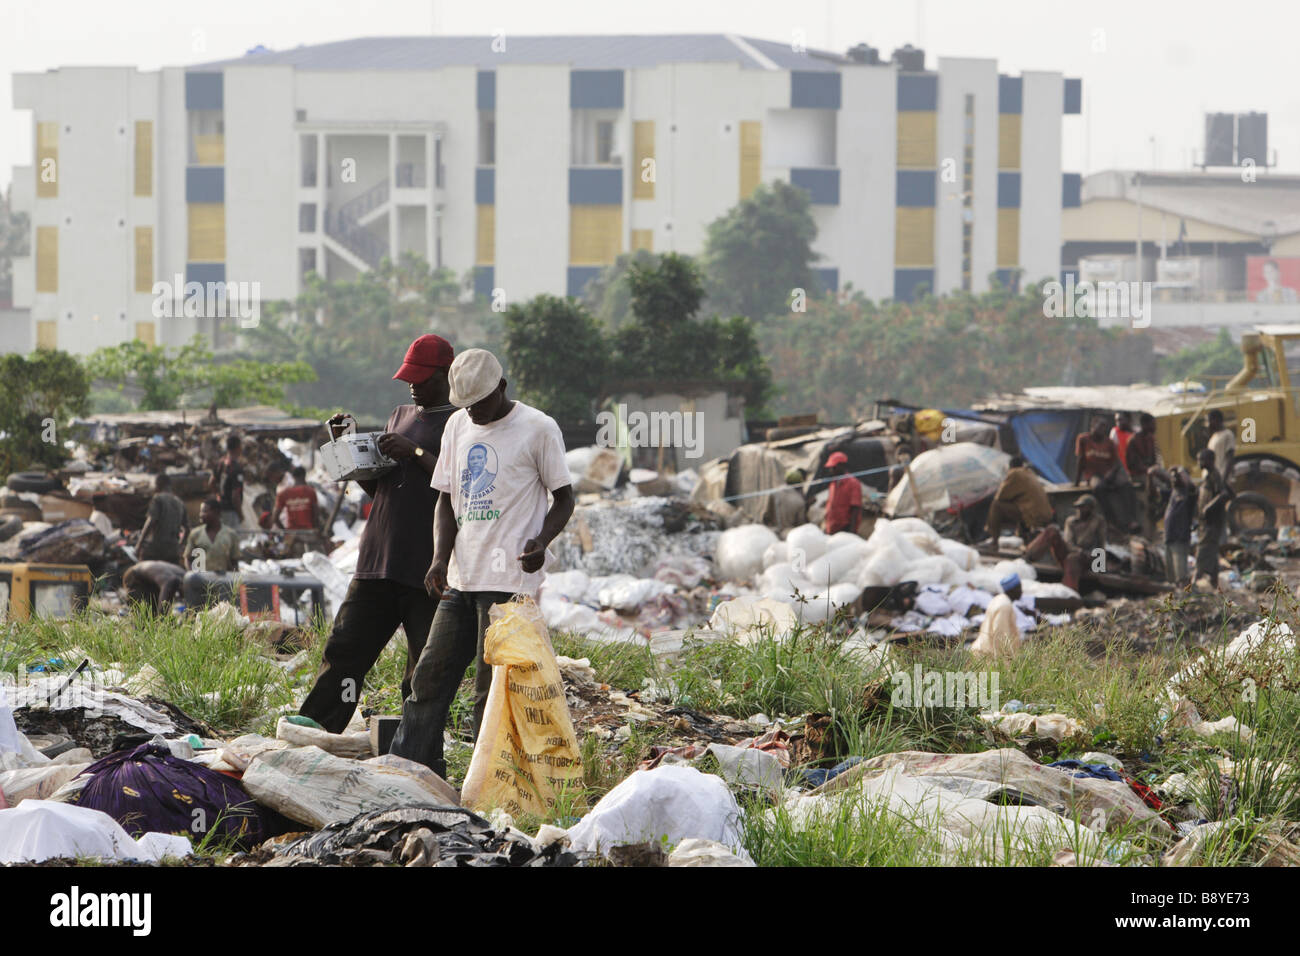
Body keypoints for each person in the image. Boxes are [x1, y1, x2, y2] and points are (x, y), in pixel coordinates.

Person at [388, 348, 575, 777]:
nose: (472, 413)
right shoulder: (457, 425)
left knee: (487, 693)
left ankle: (484, 785)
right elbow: (447, 497)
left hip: (508, 583)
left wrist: (541, 541)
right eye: (465, 405)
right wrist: (439, 558)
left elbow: (564, 499)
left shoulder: (538, 429)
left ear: (502, 389)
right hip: (461, 578)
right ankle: (407, 772)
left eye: (479, 404)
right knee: (428, 679)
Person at [298, 334, 457, 734]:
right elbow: (380, 488)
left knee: (422, 669)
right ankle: (314, 731)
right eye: (409, 378)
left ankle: (415, 746)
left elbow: (457, 485)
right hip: (378, 558)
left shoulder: (461, 424)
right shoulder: (399, 415)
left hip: (428, 565)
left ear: (446, 375)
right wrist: (347, 448)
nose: (413, 386)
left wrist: (416, 452)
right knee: (345, 650)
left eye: (422, 378)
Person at [1023, 494, 1107, 592]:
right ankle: (1027, 557)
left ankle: (1069, 593)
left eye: (1083, 507)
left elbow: (1101, 544)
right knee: (1052, 531)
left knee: (1073, 559)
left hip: (1087, 558)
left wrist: (1099, 566)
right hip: (1072, 553)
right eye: (1079, 507)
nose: (1080, 510)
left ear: (1091, 508)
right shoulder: (1071, 521)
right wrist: (1078, 550)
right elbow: (1068, 542)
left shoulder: (1098, 521)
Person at [1074, 418, 1138, 533]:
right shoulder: (1083, 439)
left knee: (1126, 485)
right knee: (1099, 488)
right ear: (1092, 426)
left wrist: (1110, 475)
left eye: (1104, 427)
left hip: (1109, 473)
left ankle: (1131, 520)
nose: (1102, 430)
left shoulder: (1110, 443)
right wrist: (1077, 481)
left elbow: (1116, 463)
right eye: (1100, 426)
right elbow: (1081, 460)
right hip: (1093, 474)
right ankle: (1112, 521)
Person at [985, 456, 1053, 541]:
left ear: (1011, 467)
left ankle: (994, 541)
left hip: (1034, 515)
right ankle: (1023, 536)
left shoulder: (1015, 473)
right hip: (1046, 514)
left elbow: (1000, 496)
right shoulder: (1029, 473)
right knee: (1020, 505)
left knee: (996, 505)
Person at [1195, 448, 1232, 589]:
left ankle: (1195, 581)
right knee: (1211, 550)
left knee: (1203, 550)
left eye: (1201, 460)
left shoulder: (1215, 476)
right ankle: (1214, 581)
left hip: (1212, 522)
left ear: (1210, 461)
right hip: (1207, 522)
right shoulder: (1209, 475)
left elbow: (1223, 494)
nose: (1199, 462)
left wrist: (1208, 508)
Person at [971, 574, 1026, 659]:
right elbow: (1000, 635)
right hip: (988, 656)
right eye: (1019, 588)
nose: (1021, 592)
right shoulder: (1005, 606)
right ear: (1012, 590)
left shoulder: (999, 599)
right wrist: (1007, 658)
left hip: (984, 651)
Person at [136, 473, 188, 564]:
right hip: (173, 551)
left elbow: (151, 521)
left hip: (155, 549)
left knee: (142, 573)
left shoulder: (158, 499)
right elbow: (187, 529)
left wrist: (139, 544)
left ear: (158, 485)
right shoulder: (180, 502)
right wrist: (179, 545)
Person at [184, 498, 242, 573]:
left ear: (215, 512)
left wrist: (233, 579)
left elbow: (234, 562)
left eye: (204, 511)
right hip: (201, 581)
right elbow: (188, 559)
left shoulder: (230, 535)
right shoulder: (195, 534)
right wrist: (193, 576)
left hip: (223, 581)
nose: (200, 515)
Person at [1164, 466, 1194, 585]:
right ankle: (1175, 596)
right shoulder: (1173, 492)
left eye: (1178, 477)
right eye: (1173, 477)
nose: (1174, 479)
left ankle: (1185, 595)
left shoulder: (1189, 493)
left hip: (1180, 537)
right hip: (1169, 537)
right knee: (1171, 574)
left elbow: (1191, 486)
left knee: (1181, 574)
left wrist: (1182, 472)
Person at [822, 451, 862, 535]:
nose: (831, 470)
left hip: (844, 528)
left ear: (841, 466)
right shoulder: (833, 483)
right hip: (832, 527)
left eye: (833, 467)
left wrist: (852, 532)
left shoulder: (853, 483)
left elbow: (855, 508)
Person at [209, 435, 245, 528]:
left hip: (220, 509)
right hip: (231, 511)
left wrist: (218, 496)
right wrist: (241, 515)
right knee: (232, 539)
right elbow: (235, 496)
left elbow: (211, 482)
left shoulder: (220, 463)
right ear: (238, 447)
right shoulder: (236, 468)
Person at [273, 466, 318, 531]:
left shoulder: (283, 494)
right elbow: (316, 514)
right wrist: (316, 529)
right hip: (309, 532)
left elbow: (275, 518)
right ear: (303, 476)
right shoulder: (310, 491)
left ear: (293, 477)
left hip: (294, 534)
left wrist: (287, 533)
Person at [1205, 409, 1235, 482]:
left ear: (1217, 420)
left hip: (1221, 478)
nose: (1207, 424)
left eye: (1209, 421)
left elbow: (1230, 459)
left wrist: (1223, 481)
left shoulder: (1228, 434)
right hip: (1213, 479)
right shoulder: (1214, 437)